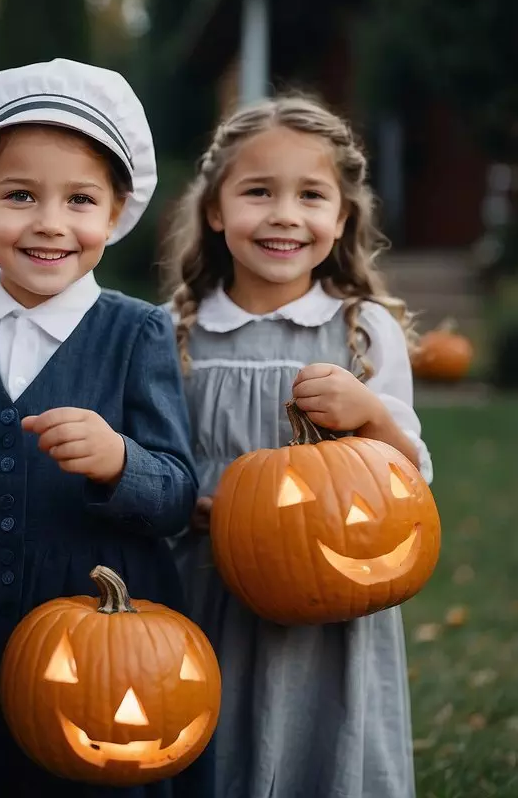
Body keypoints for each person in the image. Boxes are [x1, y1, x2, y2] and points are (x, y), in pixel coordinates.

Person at [0, 58, 205, 798]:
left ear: (114, 211)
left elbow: (175, 493)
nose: (49, 223)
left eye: (78, 200)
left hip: (102, 624)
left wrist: (118, 461)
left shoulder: (136, 333)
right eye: (19, 196)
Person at [166, 94, 433, 798]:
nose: (284, 214)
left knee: (323, 754)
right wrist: (186, 504)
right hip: (212, 589)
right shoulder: (174, 333)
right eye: (258, 191)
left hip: (333, 606)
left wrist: (369, 414)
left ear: (339, 219)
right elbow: (155, 459)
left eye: (310, 195)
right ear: (216, 210)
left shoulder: (360, 330)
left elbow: (412, 481)